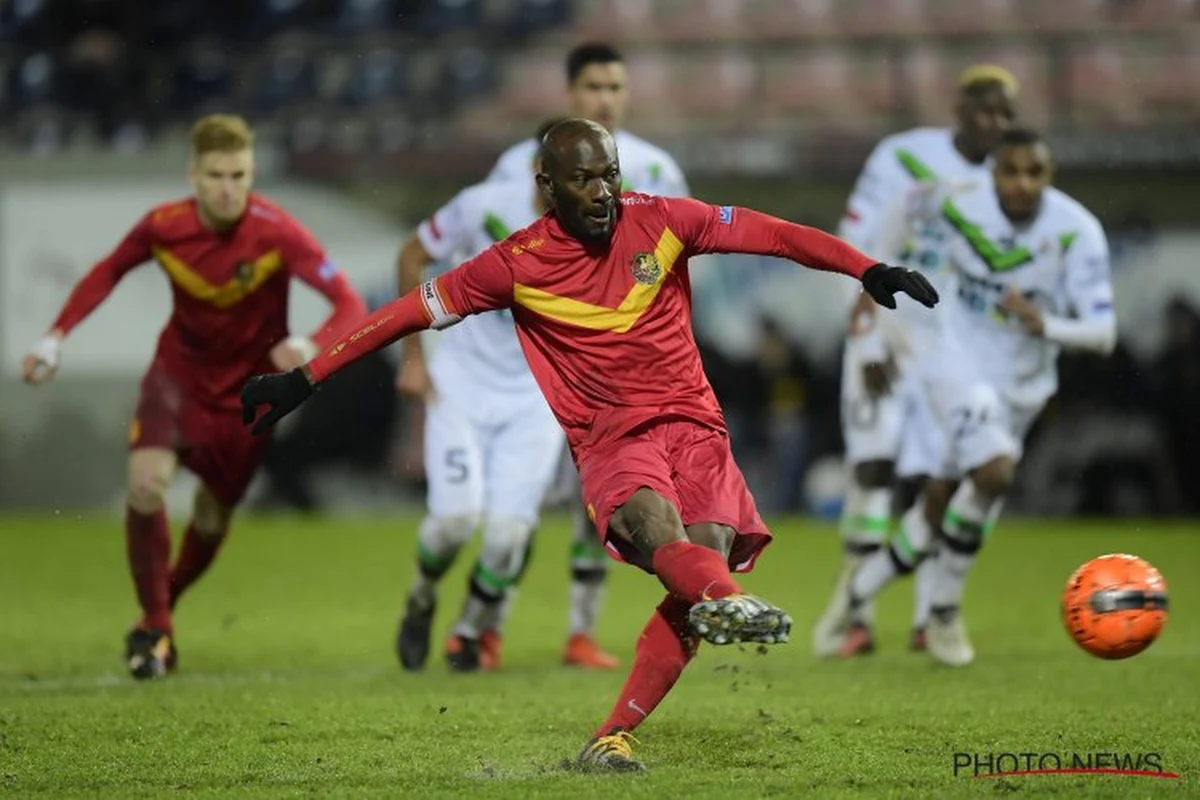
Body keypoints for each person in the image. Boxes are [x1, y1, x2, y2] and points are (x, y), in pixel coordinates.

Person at [242, 119, 938, 769]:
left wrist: (865, 268)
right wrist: (307, 377)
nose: (604, 190)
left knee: (699, 569)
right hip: (612, 437)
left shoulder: (662, 220)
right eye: (585, 179)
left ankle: (613, 733)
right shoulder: (514, 265)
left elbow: (774, 235)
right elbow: (404, 313)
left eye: (610, 173)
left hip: (695, 426)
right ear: (548, 186)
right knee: (664, 539)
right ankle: (731, 604)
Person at [20, 114, 368, 680]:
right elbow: (108, 271)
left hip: (247, 400)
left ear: (251, 173)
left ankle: (161, 614)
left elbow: (348, 303)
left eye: (240, 174)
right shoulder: (163, 226)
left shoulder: (278, 232)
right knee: (144, 489)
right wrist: (55, 337)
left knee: (209, 518)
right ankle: (156, 623)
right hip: (175, 382)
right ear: (194, 175)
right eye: (217, 175)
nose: (229, 187)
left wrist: (311, 343)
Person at [832, 128, 1117, 665]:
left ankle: (857, 591)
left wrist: (1046, 324)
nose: (1021, 184)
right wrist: (872, 281)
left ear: (1050, 176)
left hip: (1024, 386)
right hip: (955, 362)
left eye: (1034, 173)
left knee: (942, 500)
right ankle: (941, 613)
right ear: (993, 173)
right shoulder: (955, 198)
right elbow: (897, 212)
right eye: (1011, 172)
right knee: (994, 472)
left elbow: (1103, 333)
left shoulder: (1077, 230)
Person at [487, 42, 690, 669]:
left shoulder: (657, 168)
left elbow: (678, 261)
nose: (606, 98)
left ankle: (580, 631)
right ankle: (486, 624)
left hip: (620, 380)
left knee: (596, 505)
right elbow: (498, 244)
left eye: (615, 87)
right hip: (540, 368)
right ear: (571, 93)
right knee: (516, 508)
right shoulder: (518, 165)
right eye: (595, 87)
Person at [812, 64, 1018, 658]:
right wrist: (865, 330)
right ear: (959, 108)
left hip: (952, 347)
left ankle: (930, 617)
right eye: (985, 109)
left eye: (1006, 115)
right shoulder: (903, 158)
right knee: (873, 469)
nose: (995, 124)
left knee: (942, 477)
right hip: (886, 323)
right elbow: (862, 237)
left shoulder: (1006, 186)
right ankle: (858, 615)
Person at [393, 117, 570, 673]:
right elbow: (411, 256)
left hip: (536, 397)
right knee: (453, 523)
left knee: (507, 537)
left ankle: (468, 630)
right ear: (537, 170)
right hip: (463, 385)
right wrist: (415, 358)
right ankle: (421, 597)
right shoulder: (481, 206)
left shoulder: (601, 226)